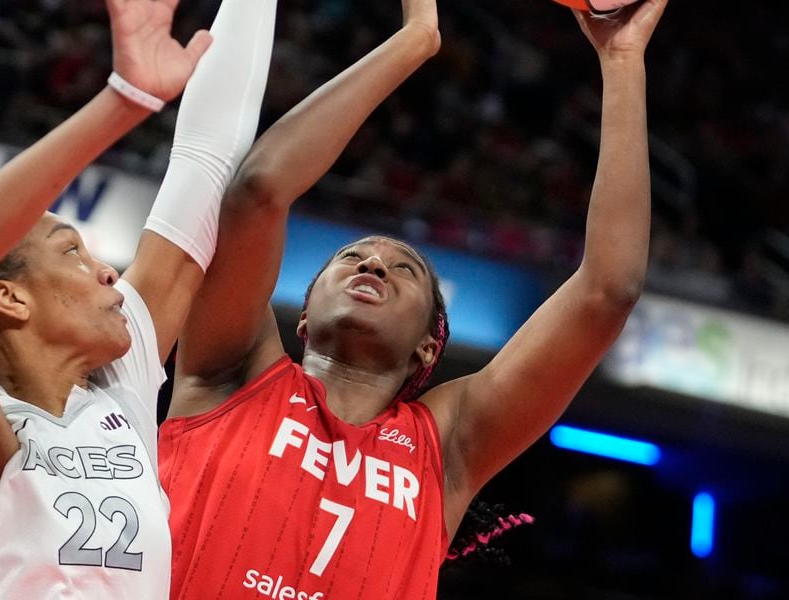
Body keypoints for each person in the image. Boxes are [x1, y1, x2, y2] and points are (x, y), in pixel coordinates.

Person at [159, 0, 669, 597]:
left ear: (430, 346)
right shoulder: (232, 372)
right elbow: (258, 190)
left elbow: (608, 292)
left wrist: (623, 60)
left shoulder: (449, 444)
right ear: (303, 314)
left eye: (404, 270)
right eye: (352, 258)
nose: (374, 261)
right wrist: (415, 40)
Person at [0, 0, 277, 595]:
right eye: (72, 252)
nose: (109, 273)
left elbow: (205, 164)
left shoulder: (119, 393)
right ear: (7, 297)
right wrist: (124, 100)